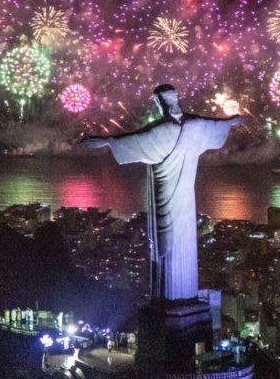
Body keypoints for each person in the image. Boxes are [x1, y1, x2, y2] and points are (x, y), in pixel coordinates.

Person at [81, 84, 243, 300]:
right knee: (183, 241)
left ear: (158, 102)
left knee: (166, 243)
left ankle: (169, 298)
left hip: (165, 196)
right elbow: (212, 125)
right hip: (186, 199)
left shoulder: (162, 131)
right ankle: (183, 296)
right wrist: (230, 122)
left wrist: (108, 142)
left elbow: (135, 140)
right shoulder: (194, 126)